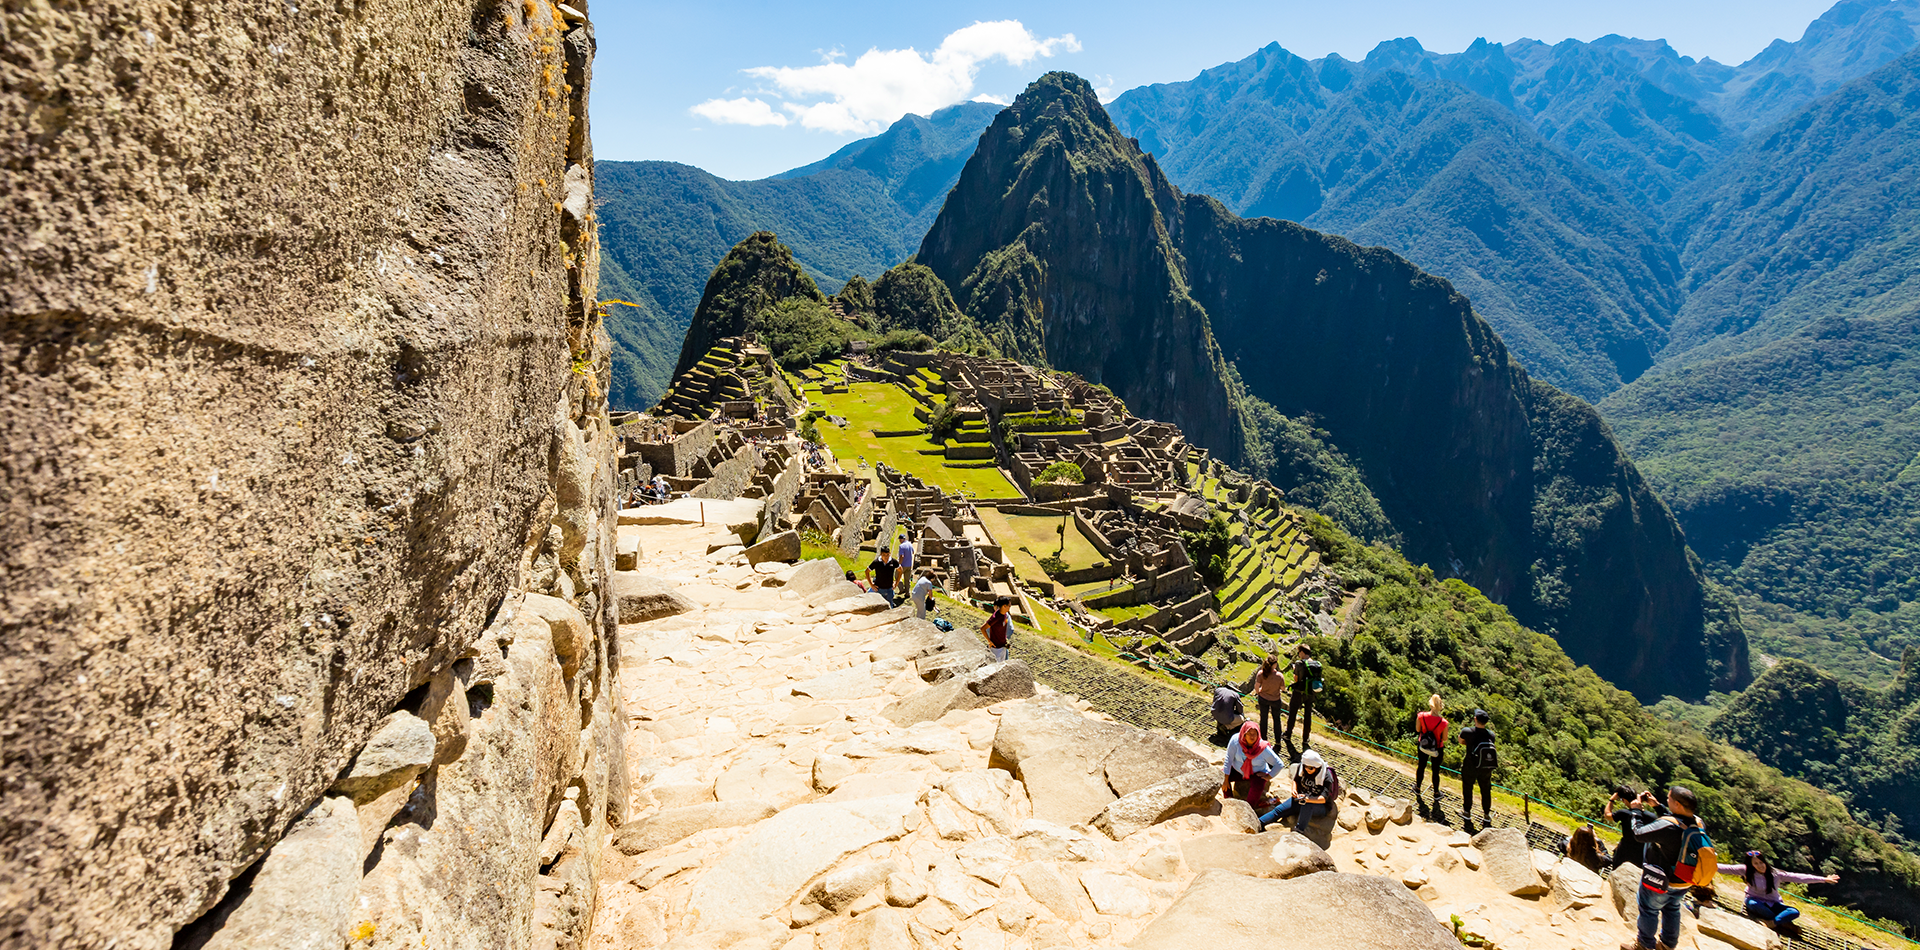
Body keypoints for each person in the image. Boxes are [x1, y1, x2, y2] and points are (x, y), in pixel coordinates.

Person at [1621, 786, 1705, 950]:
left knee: (1649, 909)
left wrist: (1636, 811)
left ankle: (1644, 945)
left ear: (1678, 804)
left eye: (1669, 799)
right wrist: (1658, 806)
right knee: (1672, 908)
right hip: (1684, 880)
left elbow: (1638, 833)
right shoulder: (1699, 823)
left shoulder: (1667, 826)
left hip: (1661, 879)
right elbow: (1678, 821)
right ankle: (1667, 945)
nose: (1667, 800)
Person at [1719, 851, 1836, 931]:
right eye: (1756, 863)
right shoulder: (1746, 871)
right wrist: (1704, 862)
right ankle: (1781, 921)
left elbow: (1799, 877)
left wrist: (1824, 879)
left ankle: (1773, 922)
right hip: (1755, 900)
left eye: (1761, 862)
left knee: (1794, 912)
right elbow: (1725, 868)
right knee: (1752, 904)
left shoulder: (1775, 874)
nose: (1760, 866)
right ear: (1751, 865)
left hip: (1774, 903)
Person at [1257, 749, 1339, 833]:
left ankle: (1299, 830)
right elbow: (1295, 780)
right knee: (1279, 810)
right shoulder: (1301, 768)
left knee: (1307, 805)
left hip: (1319, 805)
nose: (1307, 769)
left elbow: (1323, 798)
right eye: (1305, 766)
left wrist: (1307, 799)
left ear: (1317, 766)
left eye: (1310, 768)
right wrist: (1294, 790)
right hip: (1301, 799)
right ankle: (1259, 823)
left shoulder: (1326, 776)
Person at [1221, 723, 1284, 808]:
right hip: (1238, 770)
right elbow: (1228, 759)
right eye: (1249, 733)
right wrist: (1225, 779)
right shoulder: (1236, 741)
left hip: (1256, 773)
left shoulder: (1263, 748)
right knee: (1221, 775)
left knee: (1257, 787)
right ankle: (1229, 803)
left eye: (1255, 734)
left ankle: (1248, 808)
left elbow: (1279, 764)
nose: (1252, 736)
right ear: (1244, 733)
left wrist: (1269, 775)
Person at [1456, 709, 1496, 830]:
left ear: (1475, 719)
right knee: (1486, 790)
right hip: (1485, 767)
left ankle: (1467, 812)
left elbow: (1460, 741)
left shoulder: (1467, 731)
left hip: (1470, 765)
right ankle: (1486, 815)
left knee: (1468, 788)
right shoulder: (1491, 735)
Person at [1608, 785, 1660, 870]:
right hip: (1642, 853)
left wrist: (1611, 800)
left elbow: (1607, 815)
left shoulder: (1624, 813)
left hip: (1624, 851)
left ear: (1624, 800)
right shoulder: (1651, 817)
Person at [1414, 694, 1450, 811]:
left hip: (1423, 745)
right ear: (1440, 706)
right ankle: (1436, 792)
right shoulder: (1444, 722)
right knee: (1435, 771)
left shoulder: (1421, 716)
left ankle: (1418, 787)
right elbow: (1444, 739)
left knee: (1421, 766)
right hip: (1437, 748)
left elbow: (1418, 730)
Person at [1283, 643, 1319, 755]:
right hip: (1310, 693)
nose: (1299, 655)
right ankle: (1305, 738)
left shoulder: (1299, 663)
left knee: (1292, 713)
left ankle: (1288, 734)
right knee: (1308, 715)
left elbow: (1296, 678)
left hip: (1299, 692)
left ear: (1303, 652)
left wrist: (1295, 669)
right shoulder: (1316, 664)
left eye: (1299, 652)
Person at [1253, 655, 1288, 745]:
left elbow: (1256, 686)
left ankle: (1263, 739)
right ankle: (1277, 741)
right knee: (1276, 719)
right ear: (1275, 664)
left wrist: (1259, 692)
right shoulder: (1279, 676)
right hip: (1275, 699)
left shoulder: (1261, 673)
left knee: (1263, 719)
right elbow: (1283, 688)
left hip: (1263, 698)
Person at [981, 595, 1012, 662]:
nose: (1010, 607)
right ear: (1004, 606)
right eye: (1009, 605)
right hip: (996, 649)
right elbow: (983, 628)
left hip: (1003, 647)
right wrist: (989, 641)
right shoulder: (995, 617)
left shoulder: (1005, 615)